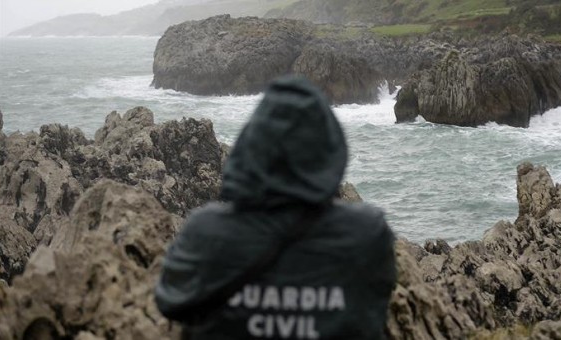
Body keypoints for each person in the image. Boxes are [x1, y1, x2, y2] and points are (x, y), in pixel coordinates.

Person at [155, 75, 397, 339]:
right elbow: (373, 311)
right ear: (329, 150)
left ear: (251, 146)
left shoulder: (205, 231)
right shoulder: (365, 234)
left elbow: (170, 303)